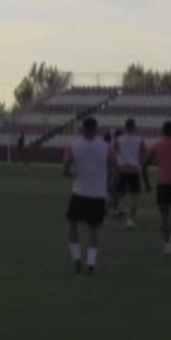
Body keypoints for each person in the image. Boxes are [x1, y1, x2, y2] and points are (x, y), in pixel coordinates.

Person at [63, 117, 113, 274]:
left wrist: (71, 174)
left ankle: (77, 259)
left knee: (72, 225)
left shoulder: (73, 145)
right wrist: (108, 183)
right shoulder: (105, 147)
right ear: (96, 129)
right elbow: (115, 166)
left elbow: (65, 167)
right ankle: (91, 264)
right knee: (93, 230)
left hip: (79, 192)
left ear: (83, 129)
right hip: (98, 194)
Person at [142, 120, 171, 255]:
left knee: (164, 217)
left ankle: (167, 245)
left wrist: (147, 184)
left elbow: (144, 166)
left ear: (163, 131)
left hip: (162, 184)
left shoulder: (157, 145)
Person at [111, 119, 146, 230]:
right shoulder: (140, 140)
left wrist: (119, 163)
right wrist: (139, 164)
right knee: (135, 197)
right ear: (134, 127)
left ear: (125, 127)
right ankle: (130, 221)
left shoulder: (119, 139)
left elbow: (114, 153)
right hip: (134, 170)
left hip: (122, 169)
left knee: (117, 194)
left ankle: (102, 216)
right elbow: (143, 155)